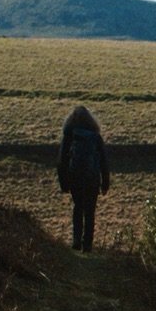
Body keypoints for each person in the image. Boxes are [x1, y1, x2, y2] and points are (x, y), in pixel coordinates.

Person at [57, 105, 111, 252]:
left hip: (75, 177)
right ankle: (87, 244)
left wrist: (64, 182)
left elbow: (62, 161)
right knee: (90, 211)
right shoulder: (95, 137)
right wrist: (105, 183)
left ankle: (76, 241)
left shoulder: (69, 135)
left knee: (78, 208)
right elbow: (104, 162)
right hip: (92, 178)